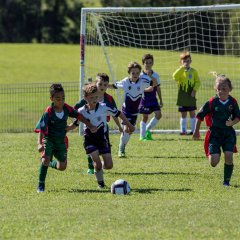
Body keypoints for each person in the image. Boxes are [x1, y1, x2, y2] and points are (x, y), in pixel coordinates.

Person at [34, 83, 96, 192]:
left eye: (63, 98)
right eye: (58, 99)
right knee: (45, 159)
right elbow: (42, 128)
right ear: (51, 99)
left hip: (61, 141)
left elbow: (78, 116)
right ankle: (41, 185)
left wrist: (89, 125)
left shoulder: (66, 108)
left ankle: (48, 163)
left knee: (62, 166)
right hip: (49, 139)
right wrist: (39, 143)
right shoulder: (49, 111)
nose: (61, 101)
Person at [72, 83, 135, 188]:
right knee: (97, 163)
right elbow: (75, 124)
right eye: (92, 97)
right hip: (89, 140)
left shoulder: (104, 107)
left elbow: (118, 113)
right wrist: (65, 129)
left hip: (102, 139)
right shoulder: (81, 111)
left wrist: (129, 124)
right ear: (85, 98)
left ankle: (98, 165)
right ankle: (101, 184)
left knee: (109, 165)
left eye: (96, 97)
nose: (95, 99)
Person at [193, 74, 240, 186]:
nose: (221, 91)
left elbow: (238, 116)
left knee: (229, 155)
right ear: (215, 89)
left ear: (230, 89)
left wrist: (232, 123)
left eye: (224, 89)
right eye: (218, 89)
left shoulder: (232, 102)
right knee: (214, 162)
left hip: (228, 134)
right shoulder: (212, 102)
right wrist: (196, 131)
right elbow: (200, 116)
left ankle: (226, 182)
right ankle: (216, 153)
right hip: (214, 135)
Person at [73, 73, 123, 175]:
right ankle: (91, 167)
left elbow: (115, 114)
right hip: (89, 129)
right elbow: (75, 109)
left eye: (105, 85)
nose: (102, 87)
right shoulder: (89, 97)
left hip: (103, 128)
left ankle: (99, 164)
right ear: (96, 84)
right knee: (91, 148)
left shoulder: (109, 99)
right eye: (100, 84)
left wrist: (119, 126)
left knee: (104, 148)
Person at [108, 61, 157, 157]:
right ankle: (121, 149)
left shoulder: (143, 81)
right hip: (126, 110)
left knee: (129, 131)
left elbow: (154, 83)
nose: (135, 75)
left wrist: (150, 76)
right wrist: (102, 85)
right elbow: (114, 86)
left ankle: (122, 147)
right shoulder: (125, 81)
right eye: (133, 73)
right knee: (127, 129)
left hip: (135, 111)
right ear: (129, 73)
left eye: (137, 73)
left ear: (140, 73)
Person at [173, 51, 200, 135]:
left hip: (191, 96)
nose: (186, 63)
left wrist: (194, 90)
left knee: (192, 113)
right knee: (183, 114)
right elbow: (174, 77)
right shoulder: (180, 71)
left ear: (190, 61)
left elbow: (198, 82)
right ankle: (183, 131)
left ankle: (193, 130)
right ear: (180, 62)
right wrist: (181, 68)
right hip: (182, 96)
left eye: (188, 61)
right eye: (184, 61)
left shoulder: (194, 72)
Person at [139, 54, 163, 140]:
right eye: (146, 63)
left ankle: (147, 130)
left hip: (153, 99)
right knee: (145, 117)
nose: (148, 64)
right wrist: (145, 90)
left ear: (152, 63)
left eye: (150, 62)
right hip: (144, 99)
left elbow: (157, 87)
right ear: (143, 64)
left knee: (159, 115)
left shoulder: (155, 75)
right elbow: (138, 88)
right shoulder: (140, 76)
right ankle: (142, 136)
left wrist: (160, 99)